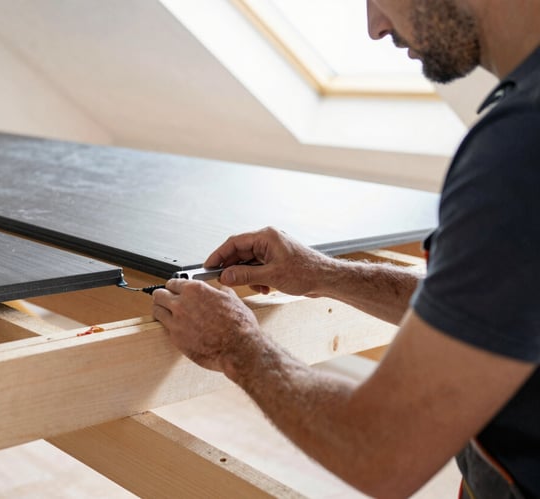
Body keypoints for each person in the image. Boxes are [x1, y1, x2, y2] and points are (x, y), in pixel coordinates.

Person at [151, 0, 540, 497]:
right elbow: (496, 308)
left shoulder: (519, 148)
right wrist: (324, 274)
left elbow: (382, 450)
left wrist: (235, 345)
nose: (375, 26)